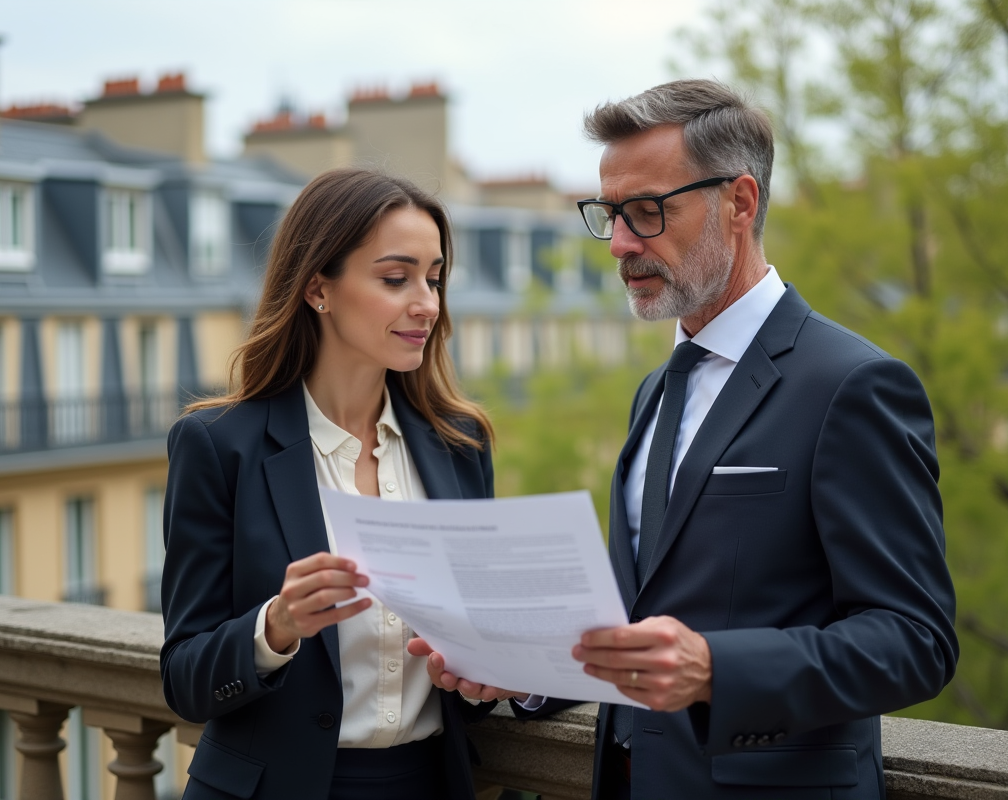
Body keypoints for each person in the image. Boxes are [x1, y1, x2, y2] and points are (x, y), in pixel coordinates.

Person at [415, 79, 958, 799]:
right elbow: (633, 617)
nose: (618, 244)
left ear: (739, 203)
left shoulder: (853, 386)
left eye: (646, 212)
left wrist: (716, 669)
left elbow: (916, 640)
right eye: (609, 214)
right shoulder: (656, 390)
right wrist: (524, 674)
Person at [160, 169, 515, 800]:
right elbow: (185, 679)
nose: (427, 303)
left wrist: (490, 669)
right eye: (395, 278)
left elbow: (475, 661)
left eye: (433, 279)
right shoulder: (219, 445)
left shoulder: (461, 445)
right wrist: (276, 625)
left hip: (427, 784)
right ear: (318, 289)